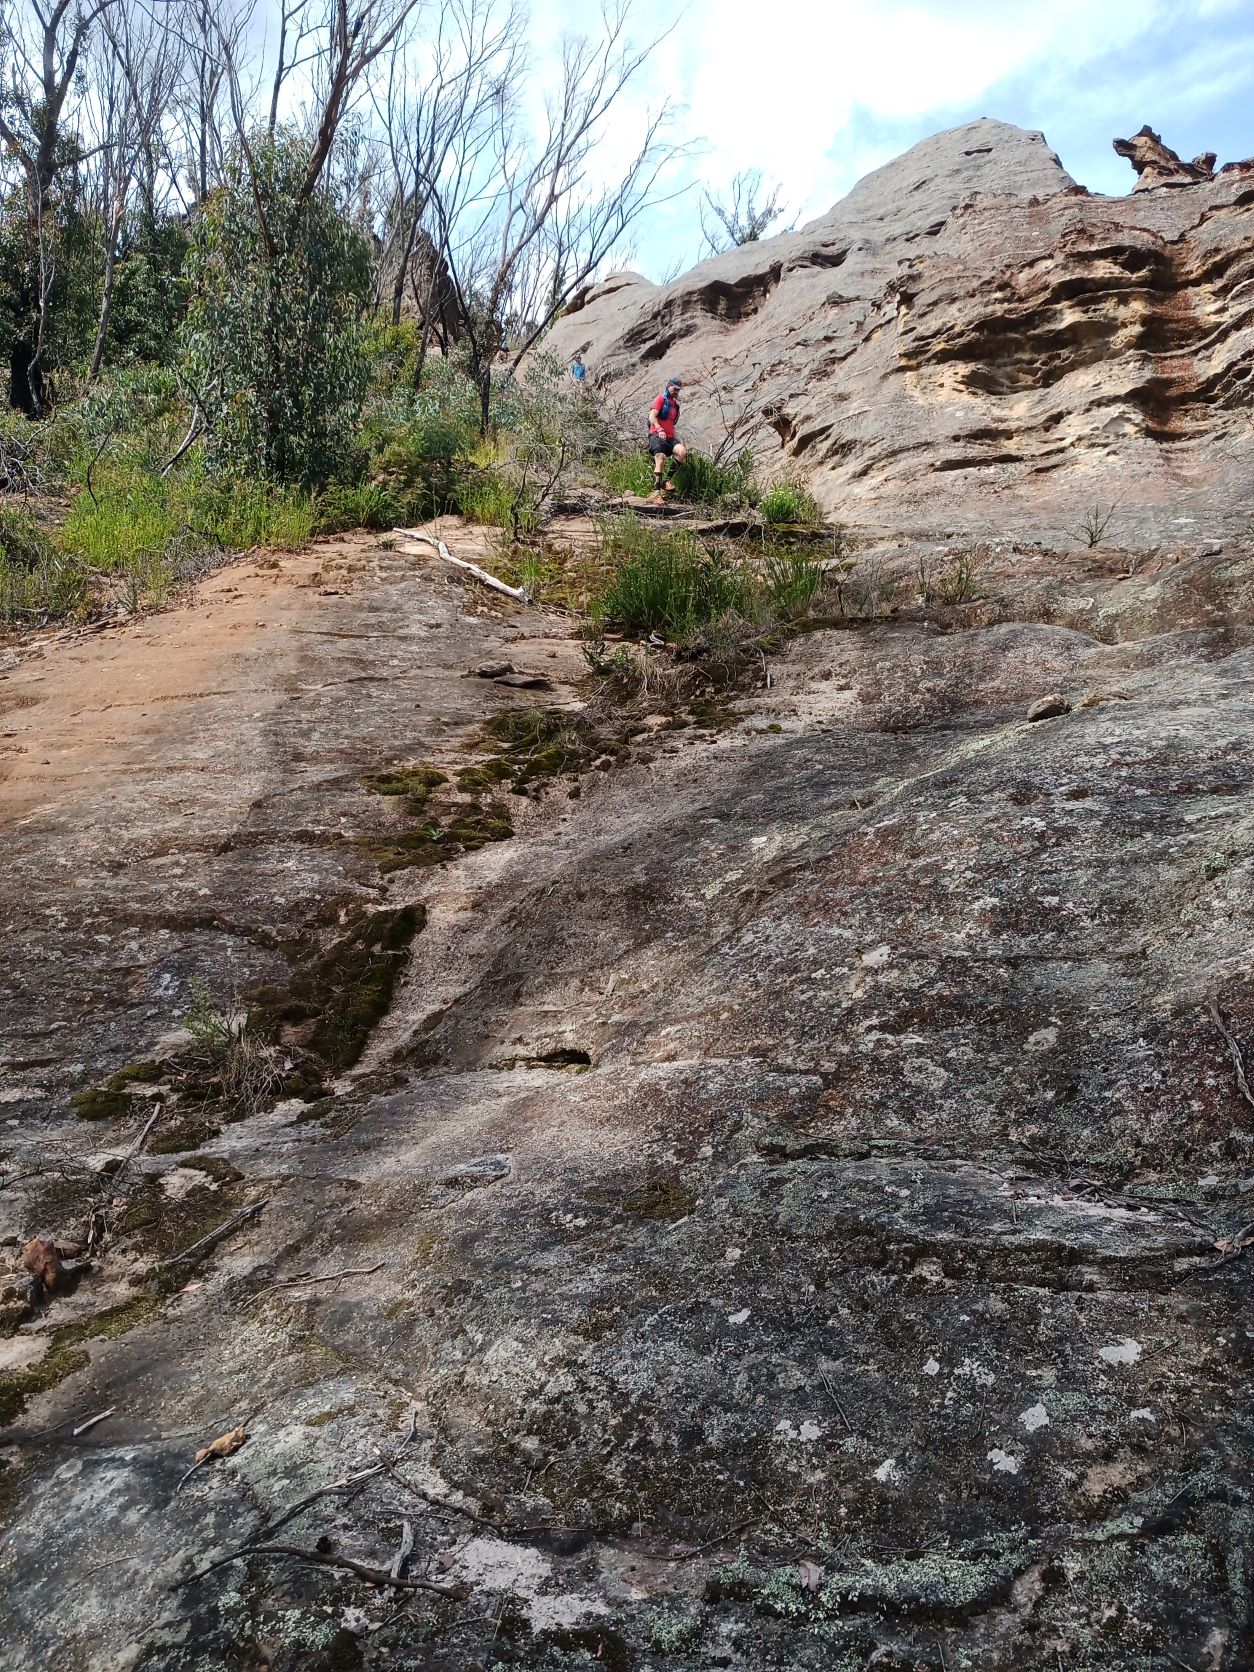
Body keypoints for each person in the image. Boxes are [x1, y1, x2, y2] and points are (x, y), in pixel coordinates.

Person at [647, 376, 687, 501]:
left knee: (682, 452)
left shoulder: (675, 405)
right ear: (669, 386)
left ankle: (666, 481)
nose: (677, 391)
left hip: (670, 437)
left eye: (678, 390)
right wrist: (659, 428)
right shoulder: (660, 399)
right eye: (675, 389)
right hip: (656, 435)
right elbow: (652, 416)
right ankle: (657, 494)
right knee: (660, 458)